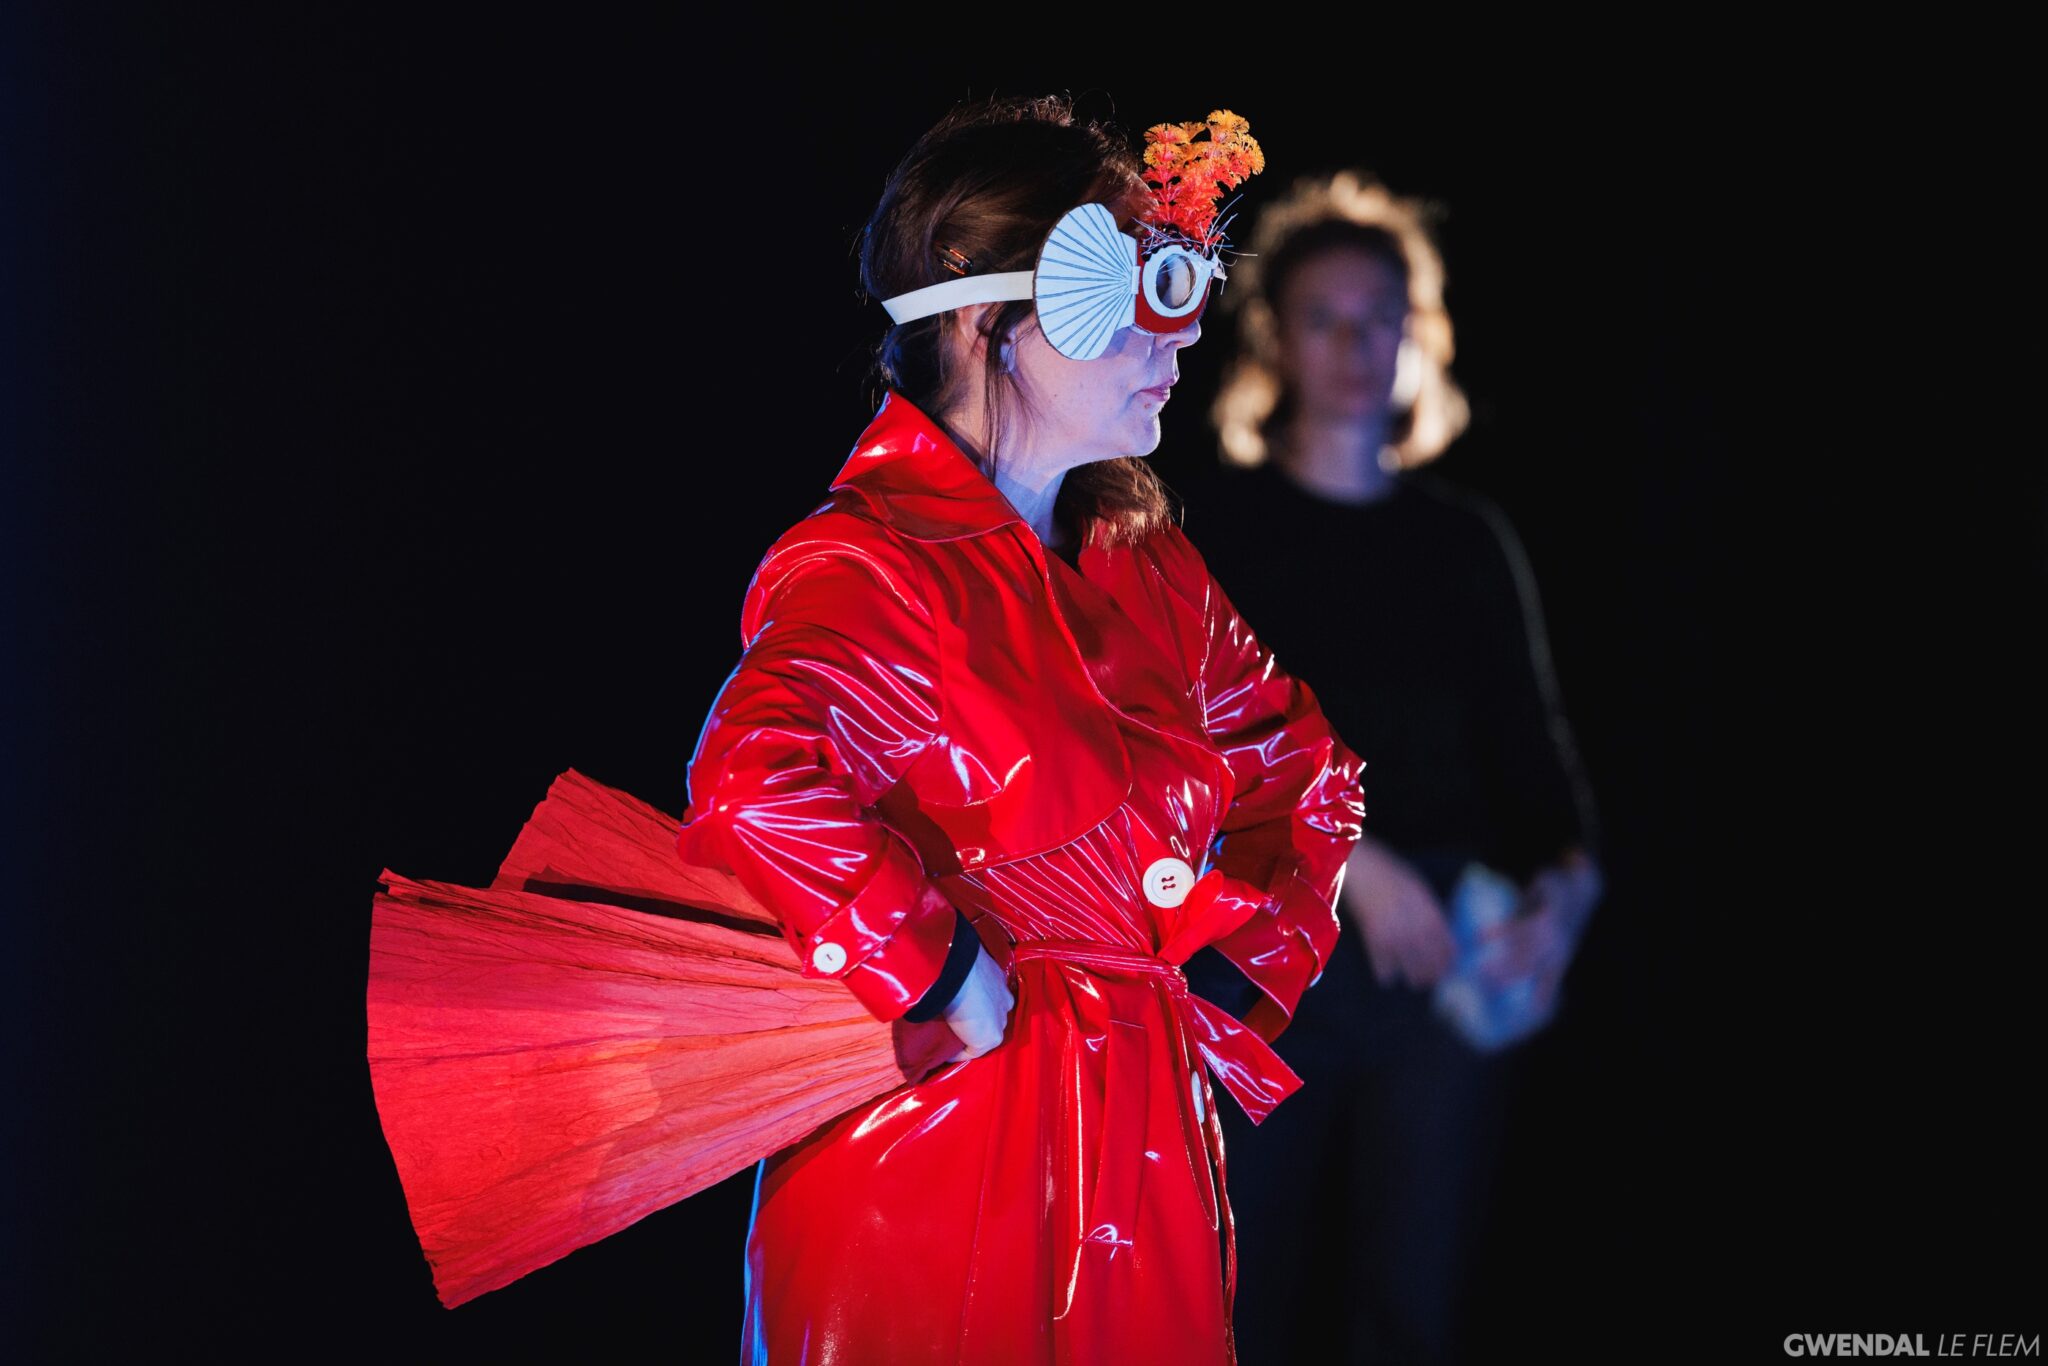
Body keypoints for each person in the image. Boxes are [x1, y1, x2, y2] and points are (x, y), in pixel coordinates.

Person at [661, 101, 1365, 1364]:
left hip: (1141, 1137)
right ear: (991, 322)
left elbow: (1304, 771)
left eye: (1181, 298)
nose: (1177, 342)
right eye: (1131, 304)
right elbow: (755, 774)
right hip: (945, 1146)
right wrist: (934, 970)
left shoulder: (1146, 568)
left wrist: (1226, 973)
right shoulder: (875, 563)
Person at [1177, 172, 1605, 1364]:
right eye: (1326, 315)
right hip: (1267, 960)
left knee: (1409, 1311)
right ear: (1274, 339)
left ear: (1418, 336)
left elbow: (1542, 780)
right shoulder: (1213, 533)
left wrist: (1562, 908)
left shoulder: (1466, 542)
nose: (1358, 345)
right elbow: (1189, 763)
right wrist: (1354, 869)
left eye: (1382, 316)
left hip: (1442, 972)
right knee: (1229, 1293)